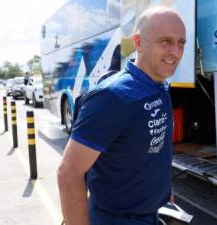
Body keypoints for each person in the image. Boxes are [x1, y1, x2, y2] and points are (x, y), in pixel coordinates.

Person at [57, 6, 186, 225]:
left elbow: (153, 151)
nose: (175, 51)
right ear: (138, 43)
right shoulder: (112, 96)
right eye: (165, 41)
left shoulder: (159, 88)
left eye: (180, 42)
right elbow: (69, 173)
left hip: (153, 214)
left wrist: (165, 192)